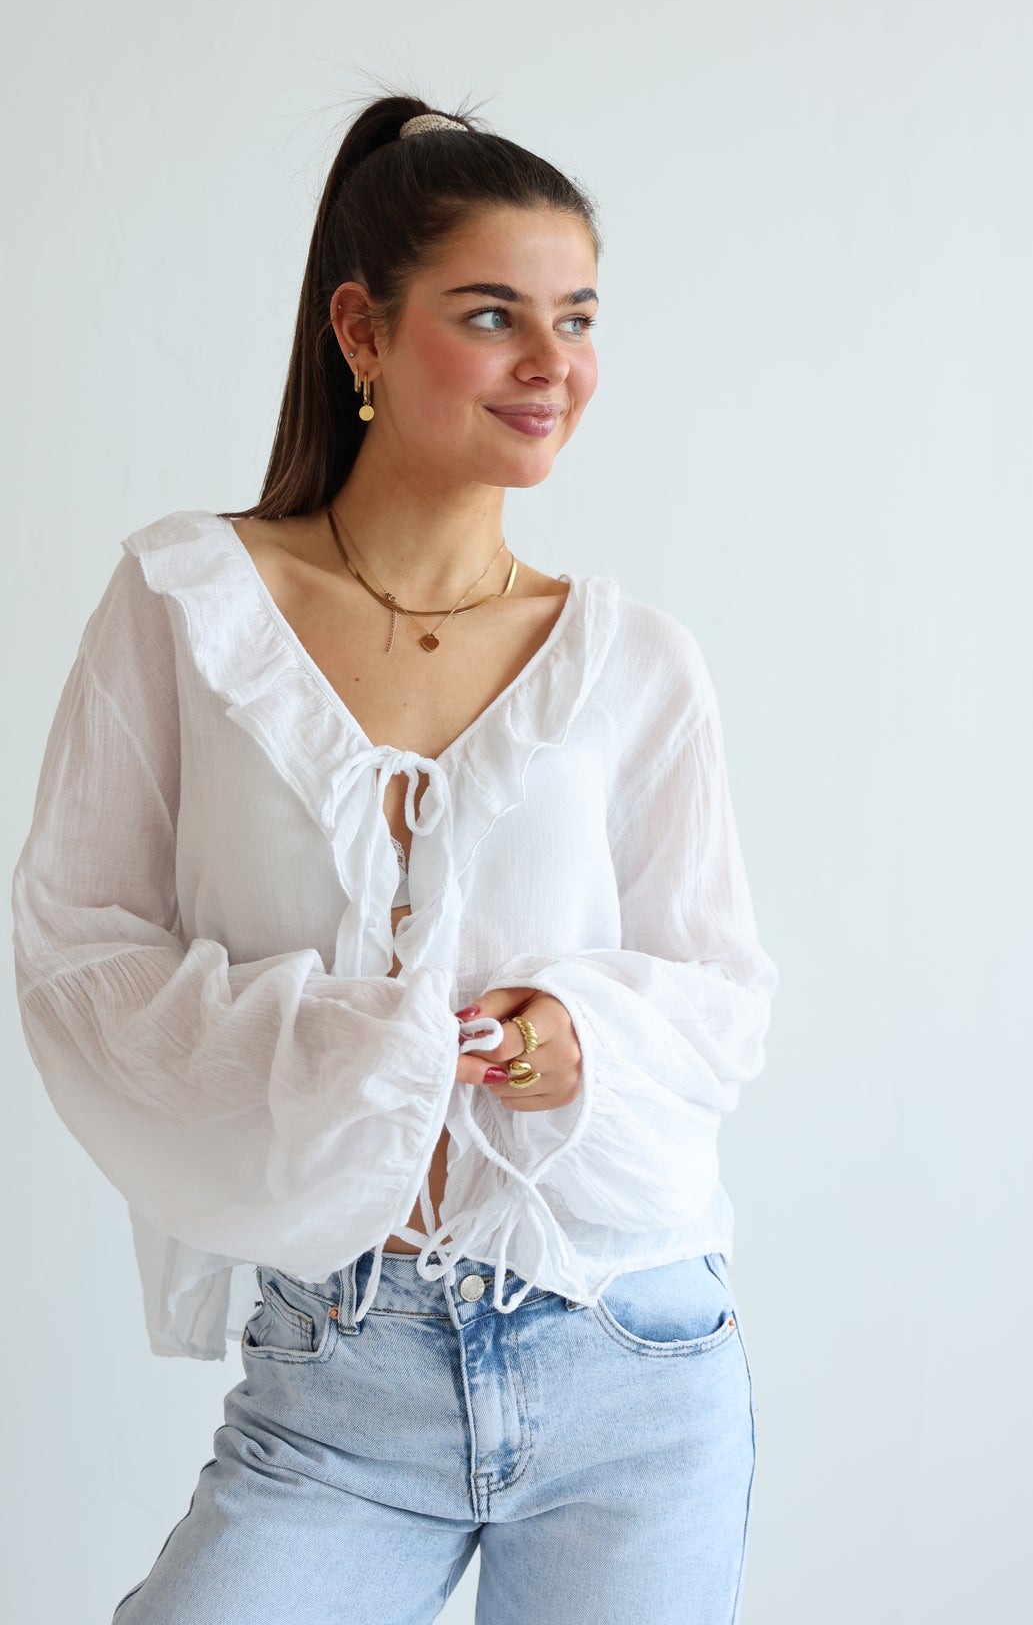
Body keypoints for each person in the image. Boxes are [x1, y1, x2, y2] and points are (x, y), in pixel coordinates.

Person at [11, 96, 779, 1624]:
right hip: (338, 1377)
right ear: (361, 331)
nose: (552, 363)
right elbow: (75, 951)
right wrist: (339, 1049)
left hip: (634, 1356)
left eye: (577, 318)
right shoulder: (190, 607)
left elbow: (723, 998)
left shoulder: (636, 660)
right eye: (494, 316)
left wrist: (583, 1039)